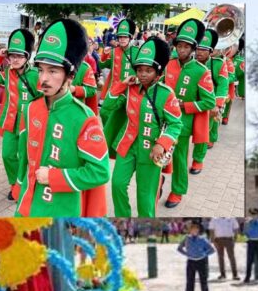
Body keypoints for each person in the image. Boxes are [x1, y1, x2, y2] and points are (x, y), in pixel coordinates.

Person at [14, 18, 110, 217]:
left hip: (62, 209)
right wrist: (19, 184)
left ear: (70, 75)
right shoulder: (30, 109)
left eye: (53, 71)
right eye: (40, 70)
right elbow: (24, 156)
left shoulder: (84, 118)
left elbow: (100, 172)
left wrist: (53, 177)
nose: (43, 78)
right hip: (27, 204)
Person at [108, 36, 183, 217]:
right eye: (140, 70)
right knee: (117, 184)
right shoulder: (130, 88)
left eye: (148, 70)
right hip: (127, 146)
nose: (142, 74)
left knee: (145, 197)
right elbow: (107, 108)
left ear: (158, 73)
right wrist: (121, 85)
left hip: (151, 150)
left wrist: (162, 144)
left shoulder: (166, 94)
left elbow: (176, 124)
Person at [162, 18, 215, 208]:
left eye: (186, 47)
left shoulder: (201, 71)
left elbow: (209, 102)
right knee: (155, 155)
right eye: (179, 46)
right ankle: (157, 183)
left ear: (193, 48)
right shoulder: (168, 64)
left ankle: (177, 191)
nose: (182, 50)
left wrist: (185, 105)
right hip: (160, 120)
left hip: (182, 124)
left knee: (179, 159)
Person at [0, 29, 39, 199]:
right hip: (10, 122)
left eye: (19, 56)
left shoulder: (35, 75)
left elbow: (45, 99)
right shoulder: (8, 72)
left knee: (24, 157)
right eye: (12, 55)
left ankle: (20, 188)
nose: (15, 59)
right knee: (7, 155)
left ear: (27, 56)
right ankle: (14, 183)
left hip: (28, 125)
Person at [98, 18, 139, 155]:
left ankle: (119, 147)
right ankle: (110, 145)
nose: (122, 39)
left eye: (125, 37)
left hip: (130, 91)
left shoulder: (137, 51)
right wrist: (104, 52)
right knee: (104, 113)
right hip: (114, 91)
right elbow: (102, 65)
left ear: (130, 37)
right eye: (120, 37)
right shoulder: (114, 52)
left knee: (125, 118)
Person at [191, 29, 229, 173]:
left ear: (211, 51)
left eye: (204, 49)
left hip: (208, 105)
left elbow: (223, 85)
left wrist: (217, 105)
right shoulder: (190, 63)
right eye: (198, 48)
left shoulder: (218, 64)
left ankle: (198, 161)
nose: (199, 52)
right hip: (190, 103)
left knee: (202, 134)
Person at [177, 221, 215, 291]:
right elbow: (179, 248)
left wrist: (204, 254)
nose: (194, 231)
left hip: (201, 262)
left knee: (203, 283)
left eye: (196, 229)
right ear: (190, 230)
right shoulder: (187, 239)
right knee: (189, 283)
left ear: (198, 230)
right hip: (191, 262)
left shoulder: (203, 239)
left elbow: (212, 250)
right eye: (192, 229)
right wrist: (186, 254)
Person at [244, 215, 258, 283]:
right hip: (251, 242)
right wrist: (247, 240)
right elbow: (245, 233)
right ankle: (247, 277)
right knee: (249, 261)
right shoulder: (247, 223)